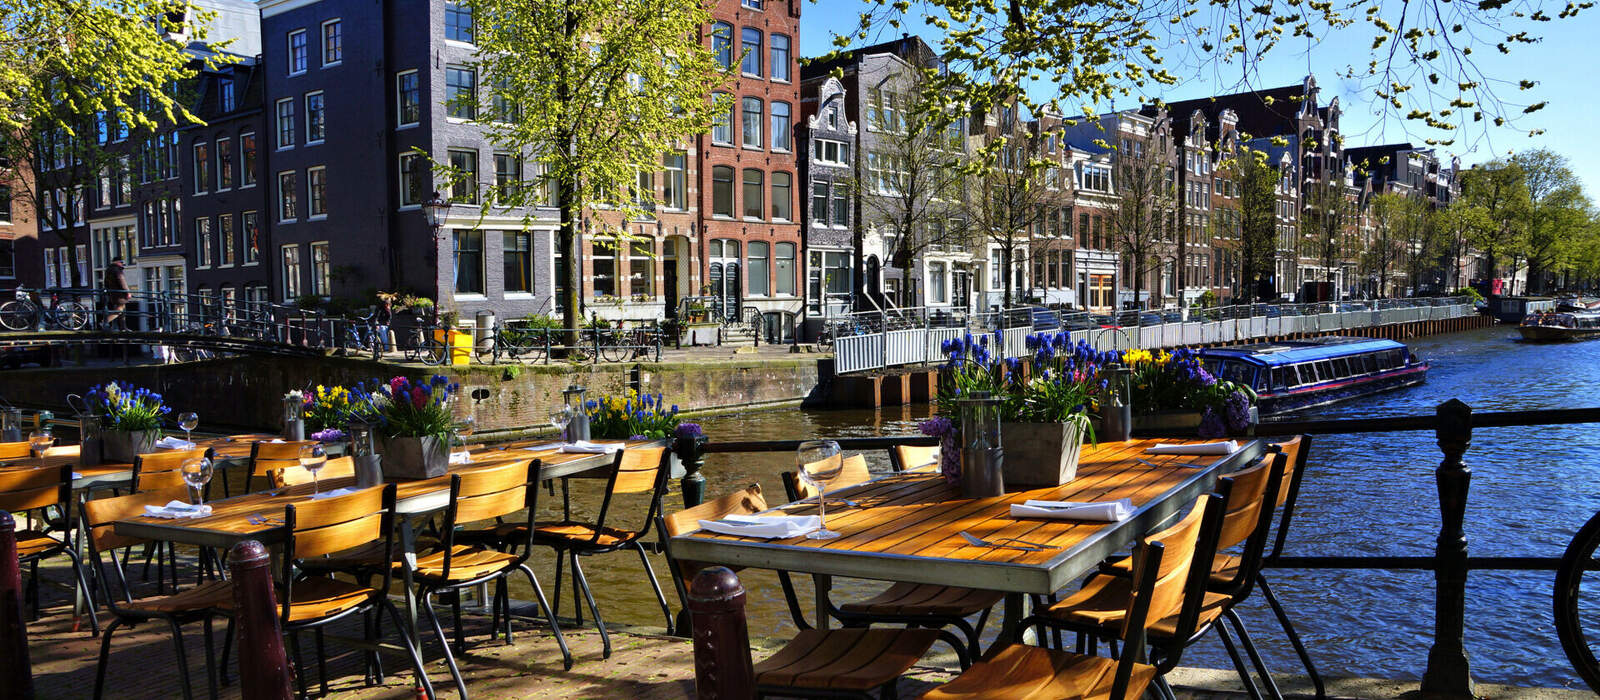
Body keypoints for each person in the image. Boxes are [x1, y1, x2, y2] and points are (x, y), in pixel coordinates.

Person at [102, 258, 130, 330]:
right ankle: (104, 322)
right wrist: (127, 292)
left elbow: (105, 282)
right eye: (121, 262)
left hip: (112, 294)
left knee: (122, 310)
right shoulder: (117, 270)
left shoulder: (108, 270)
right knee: (119, 310)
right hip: (120, 294)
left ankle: (123, 327)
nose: (122, 264)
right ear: (117, 262)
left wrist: (108, 291)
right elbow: (122, 281)